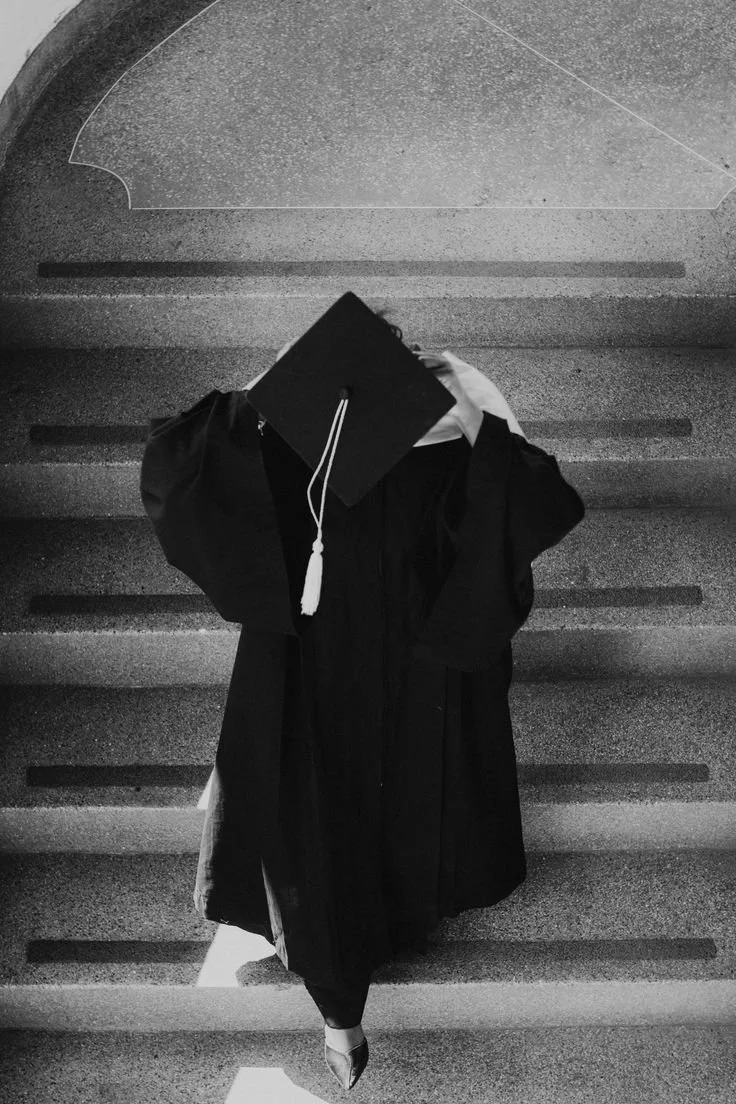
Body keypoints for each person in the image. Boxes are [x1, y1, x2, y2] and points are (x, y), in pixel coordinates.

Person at [140, 295, 585, 1091]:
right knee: (313, 812)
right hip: (313, 650)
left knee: (411, 791)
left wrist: (468, 410)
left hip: (423, 647)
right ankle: (338, 1007)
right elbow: (187, 474)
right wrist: (268, 391)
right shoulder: (291, 440)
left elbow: (525, 506)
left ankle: (390, 927)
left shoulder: (456, 425)